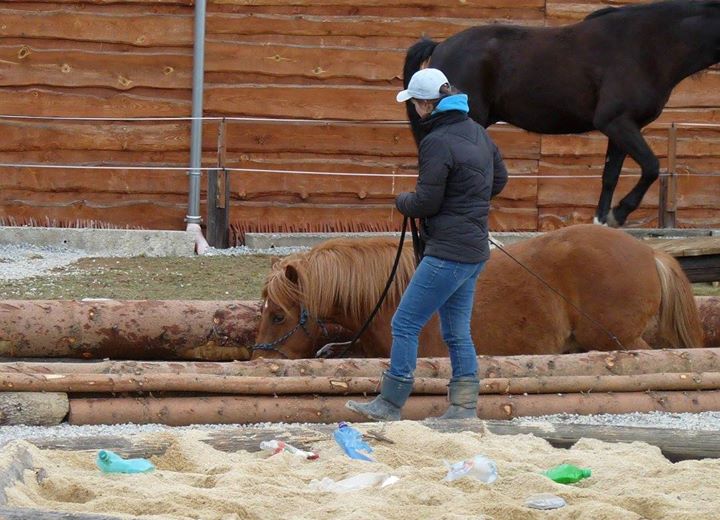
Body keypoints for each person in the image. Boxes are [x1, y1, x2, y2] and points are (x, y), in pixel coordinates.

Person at [346, 68, 508, 421]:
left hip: (447, 252)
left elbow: (426, 203)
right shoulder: (478, 132)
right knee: (456, 331)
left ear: (425, 104)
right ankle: (463, 407)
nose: (416, 112)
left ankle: (390, 402)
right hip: (474, 250)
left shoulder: (435, 141)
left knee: (404, 322)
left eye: (416, 105)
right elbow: (499, 180)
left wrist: (402, 201)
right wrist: (467, 200)